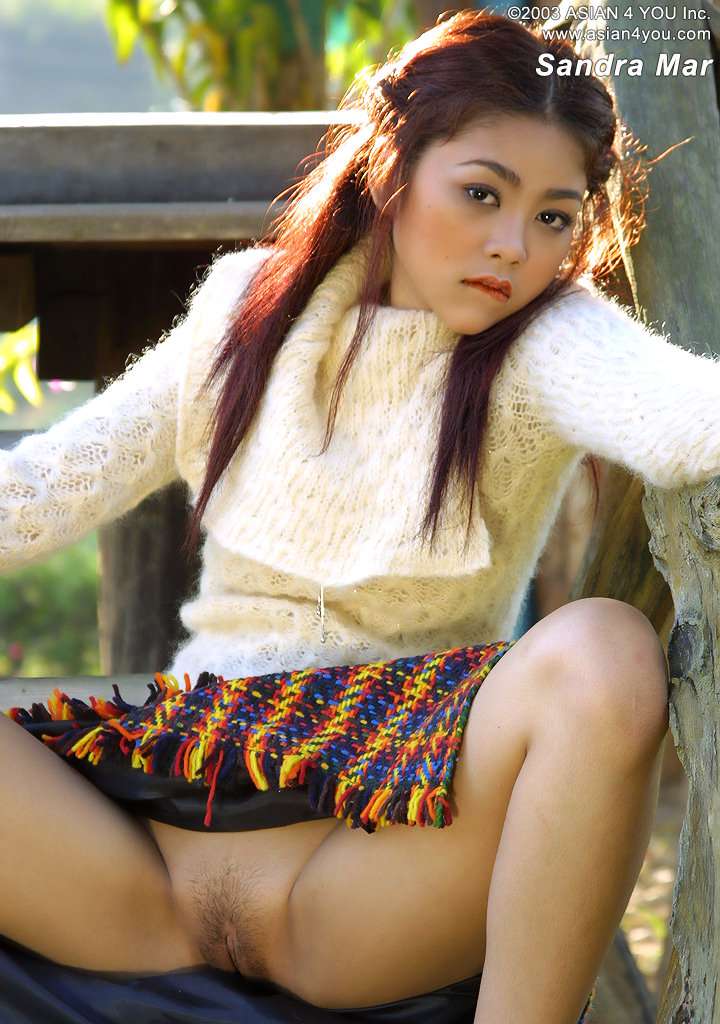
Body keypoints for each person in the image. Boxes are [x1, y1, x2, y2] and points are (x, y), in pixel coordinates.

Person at [0, 7, 708, 1023]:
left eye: (555, 217)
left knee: (605, 648)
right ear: (393, 165)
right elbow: (32, 497)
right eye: (481, 193)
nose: (513, 246)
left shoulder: (546, 340)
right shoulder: (247, 312)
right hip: (140, 876)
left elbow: (686, 417)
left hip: (368, 880)